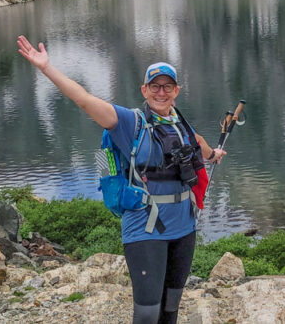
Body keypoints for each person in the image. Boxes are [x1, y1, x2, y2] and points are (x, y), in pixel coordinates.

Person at [16, 35, 224, 324]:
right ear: (144, 89)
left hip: (184, 226)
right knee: (148, 313)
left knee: (171, 307)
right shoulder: (129, 122)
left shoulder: (179, 121)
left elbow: (195, 141)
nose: (161, 92)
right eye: (155, 86)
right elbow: (84, 100)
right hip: (145, 228)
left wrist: (213, 153)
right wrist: (46, 68)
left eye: (167, 86)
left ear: (176, 90)